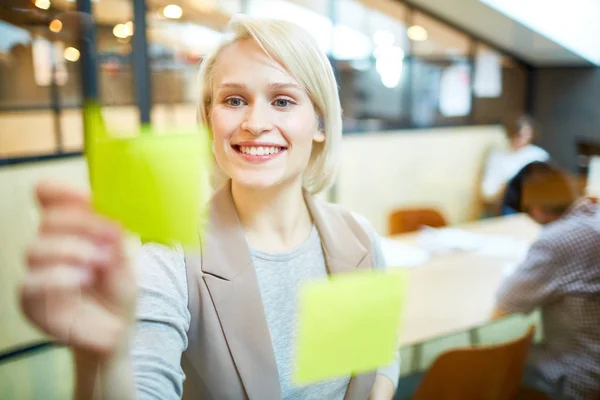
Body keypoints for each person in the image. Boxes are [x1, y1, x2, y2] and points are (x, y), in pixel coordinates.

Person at [19, 16, 400, 400]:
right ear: (209, 121)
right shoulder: (170, 259)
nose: (254, 123)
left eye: (282, 101)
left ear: (319, 123)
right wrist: (106, 363)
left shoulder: (358, 237)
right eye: (234, 100)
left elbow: (380, 358)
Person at [492, 163, 600, 400]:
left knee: (493, 365)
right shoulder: (595, 217)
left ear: (538, 209)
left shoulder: (557, 240)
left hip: (580, 373)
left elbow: (506, 303)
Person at [481, 115, 550, 215]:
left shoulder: (539, 155)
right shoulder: (498, 156)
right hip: (508, 206)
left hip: (535, 207)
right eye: (519, 135)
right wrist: (503, 188)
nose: (524, 139)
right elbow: (487, 192)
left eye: (527, 135)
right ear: (510, 135)